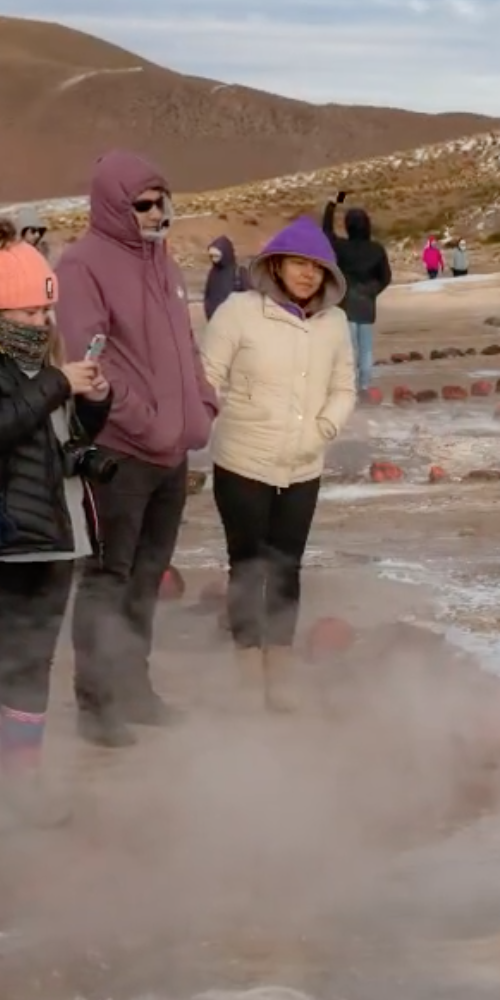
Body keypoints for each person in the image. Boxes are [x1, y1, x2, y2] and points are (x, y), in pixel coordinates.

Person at [0, 218, 109, 829]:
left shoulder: (41, 353)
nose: (43, 322)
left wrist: (94, 400)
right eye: (31, 312)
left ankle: (22, 789)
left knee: (34, 666)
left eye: (46, 311)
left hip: (56, 532)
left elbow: (59, 440)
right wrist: (58, 383)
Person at [55, 150, 217, 748]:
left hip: (171, 451)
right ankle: (96, 704)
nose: (154, 213)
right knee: (107, 577)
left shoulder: (164, 262)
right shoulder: (82, 265)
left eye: (160, 202)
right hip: (120, 452)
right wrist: (143, 421)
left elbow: (185, 345)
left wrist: (202, 404)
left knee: (148, 576)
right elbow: (87, 359)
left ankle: (134, 689)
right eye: (142, 204)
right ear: (113, 205)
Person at [199, 217, 356, 712]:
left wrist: (322, 430)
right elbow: (207, 377)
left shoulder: (333, 323)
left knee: (287, 566)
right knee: (247, 565)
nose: (307, 274)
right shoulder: (239, 312)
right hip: (243, 461)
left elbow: (344, 388)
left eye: (317, 267)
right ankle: (248, 669)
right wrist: (214, 419)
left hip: (304, 465)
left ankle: (280, 672)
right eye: (298, 264)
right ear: (276, 265)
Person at [319, 190, 390, 393]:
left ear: (348, 226)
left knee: (348, 350)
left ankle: (348, 389)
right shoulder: (376, 249)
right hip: (366, 305)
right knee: (366, 350)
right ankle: (364, 386)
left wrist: (332, 205)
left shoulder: (342, 248)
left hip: (346, 304)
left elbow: (326, 233)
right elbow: (385, 277)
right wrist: (372, 291)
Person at [202, 235, 246, 320]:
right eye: (211, 256)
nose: (214, 259)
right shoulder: (213, 273)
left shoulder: (239, 272)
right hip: (215, 320)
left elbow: (250, 298)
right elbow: (208, 295)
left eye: (216, 256)